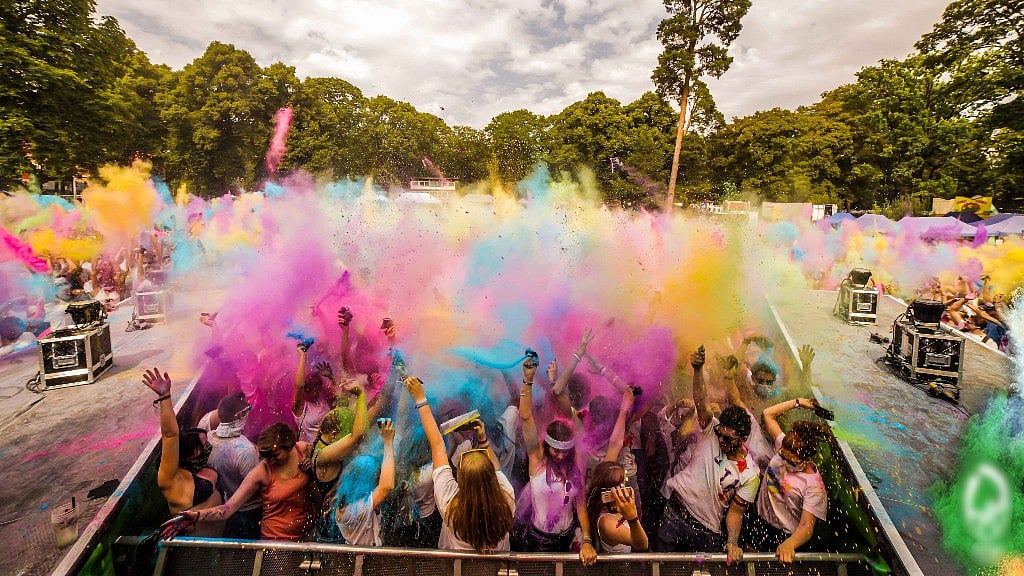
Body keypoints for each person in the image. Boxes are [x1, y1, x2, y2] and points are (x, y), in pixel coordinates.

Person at [658, 347, 759, 563]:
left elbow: (736, 512)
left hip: (706, 531)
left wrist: (732, 542)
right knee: (661, 566)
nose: (721, 440)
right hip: (675, 513)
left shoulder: (751, 473)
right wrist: (697, 370)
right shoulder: (710, 431)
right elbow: (700, 400)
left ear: (742, 439)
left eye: (728, 439)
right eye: (720, 434)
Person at [515, 357, 613, 563]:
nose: (560, 456)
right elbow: (525, 417)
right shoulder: (538, 460)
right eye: (555, 451)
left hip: (567, 538)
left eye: (565, 451)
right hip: (537, 540)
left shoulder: (575, 466)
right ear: (547, 446)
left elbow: (580, 506)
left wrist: (586, 540)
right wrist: (528, 380)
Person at [404, 374, 515, 552]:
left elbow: (438, 445)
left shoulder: (450, 505)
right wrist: (483, 440)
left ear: (461, 479)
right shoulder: (507, 498)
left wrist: (420, 398)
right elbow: (498, 468)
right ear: (491, 477)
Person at [165, 423, 315, 541]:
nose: (271, 460)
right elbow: (229, 508)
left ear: (289, 446)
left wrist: (312, 468)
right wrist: (197, 516)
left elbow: (324, 474)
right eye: (266, 456)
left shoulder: (302, 450)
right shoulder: (261, 472)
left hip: (309, 531)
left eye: (275, 455)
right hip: (278, 539)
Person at [744, 398, 830, 563]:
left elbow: (806, 526)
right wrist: (798, 402)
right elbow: (768, 414)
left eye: (792, 462)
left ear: (806, 459)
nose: (786, 463)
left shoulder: (814, 486)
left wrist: (789, 544)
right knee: (750, 562)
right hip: (760, 519)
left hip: (785, 534)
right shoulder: (785, 445)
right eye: (783, 456)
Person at [142, 368, 224, 537]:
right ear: (187, 453)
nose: (208, 447)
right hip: (194, 551)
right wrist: (165, 397)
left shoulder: (200, 467)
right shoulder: (172, 479)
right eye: (203, 445)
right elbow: (170, 435)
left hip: (223, 540)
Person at [311, 386, 369, 542]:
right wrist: (361, 394)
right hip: (333, 530)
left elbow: (364, 418)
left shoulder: (325, 442)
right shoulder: (322, 456)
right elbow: (358, 436)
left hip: (341, 522)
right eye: (347, 431)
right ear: (335, 434)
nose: (349, 434)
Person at [205, 392, 262, 539]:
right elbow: (256, 487)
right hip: (250, 510)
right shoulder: (245, 451)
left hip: (225, 504)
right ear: (239, 415)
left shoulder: (209, 438)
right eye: (247, 410)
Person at [335, 419, 396, 546]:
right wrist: (388, 441)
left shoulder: (347, 498)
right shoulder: (355, 509)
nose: (378, 479)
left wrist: (382, 438)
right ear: (365, 481)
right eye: (376, 477)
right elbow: (386, 486)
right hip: (365, 561)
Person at [584, 461, 649, 553]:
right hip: (621, 566)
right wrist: (632, 517)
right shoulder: (607, 522)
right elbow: (643, 544)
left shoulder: (615, 508)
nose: (625, 488)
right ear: (609, 492)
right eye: (621, 485)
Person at [293, 341, 336, 444]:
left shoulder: (322, 401)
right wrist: (303, 356)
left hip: (329, 448)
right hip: (310, 453)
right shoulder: (300, 407)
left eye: (317, 388)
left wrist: (331, 377)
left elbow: (340, 396)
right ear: (305, 390)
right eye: (311, 389)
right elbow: (299, 386)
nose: (315, 392)